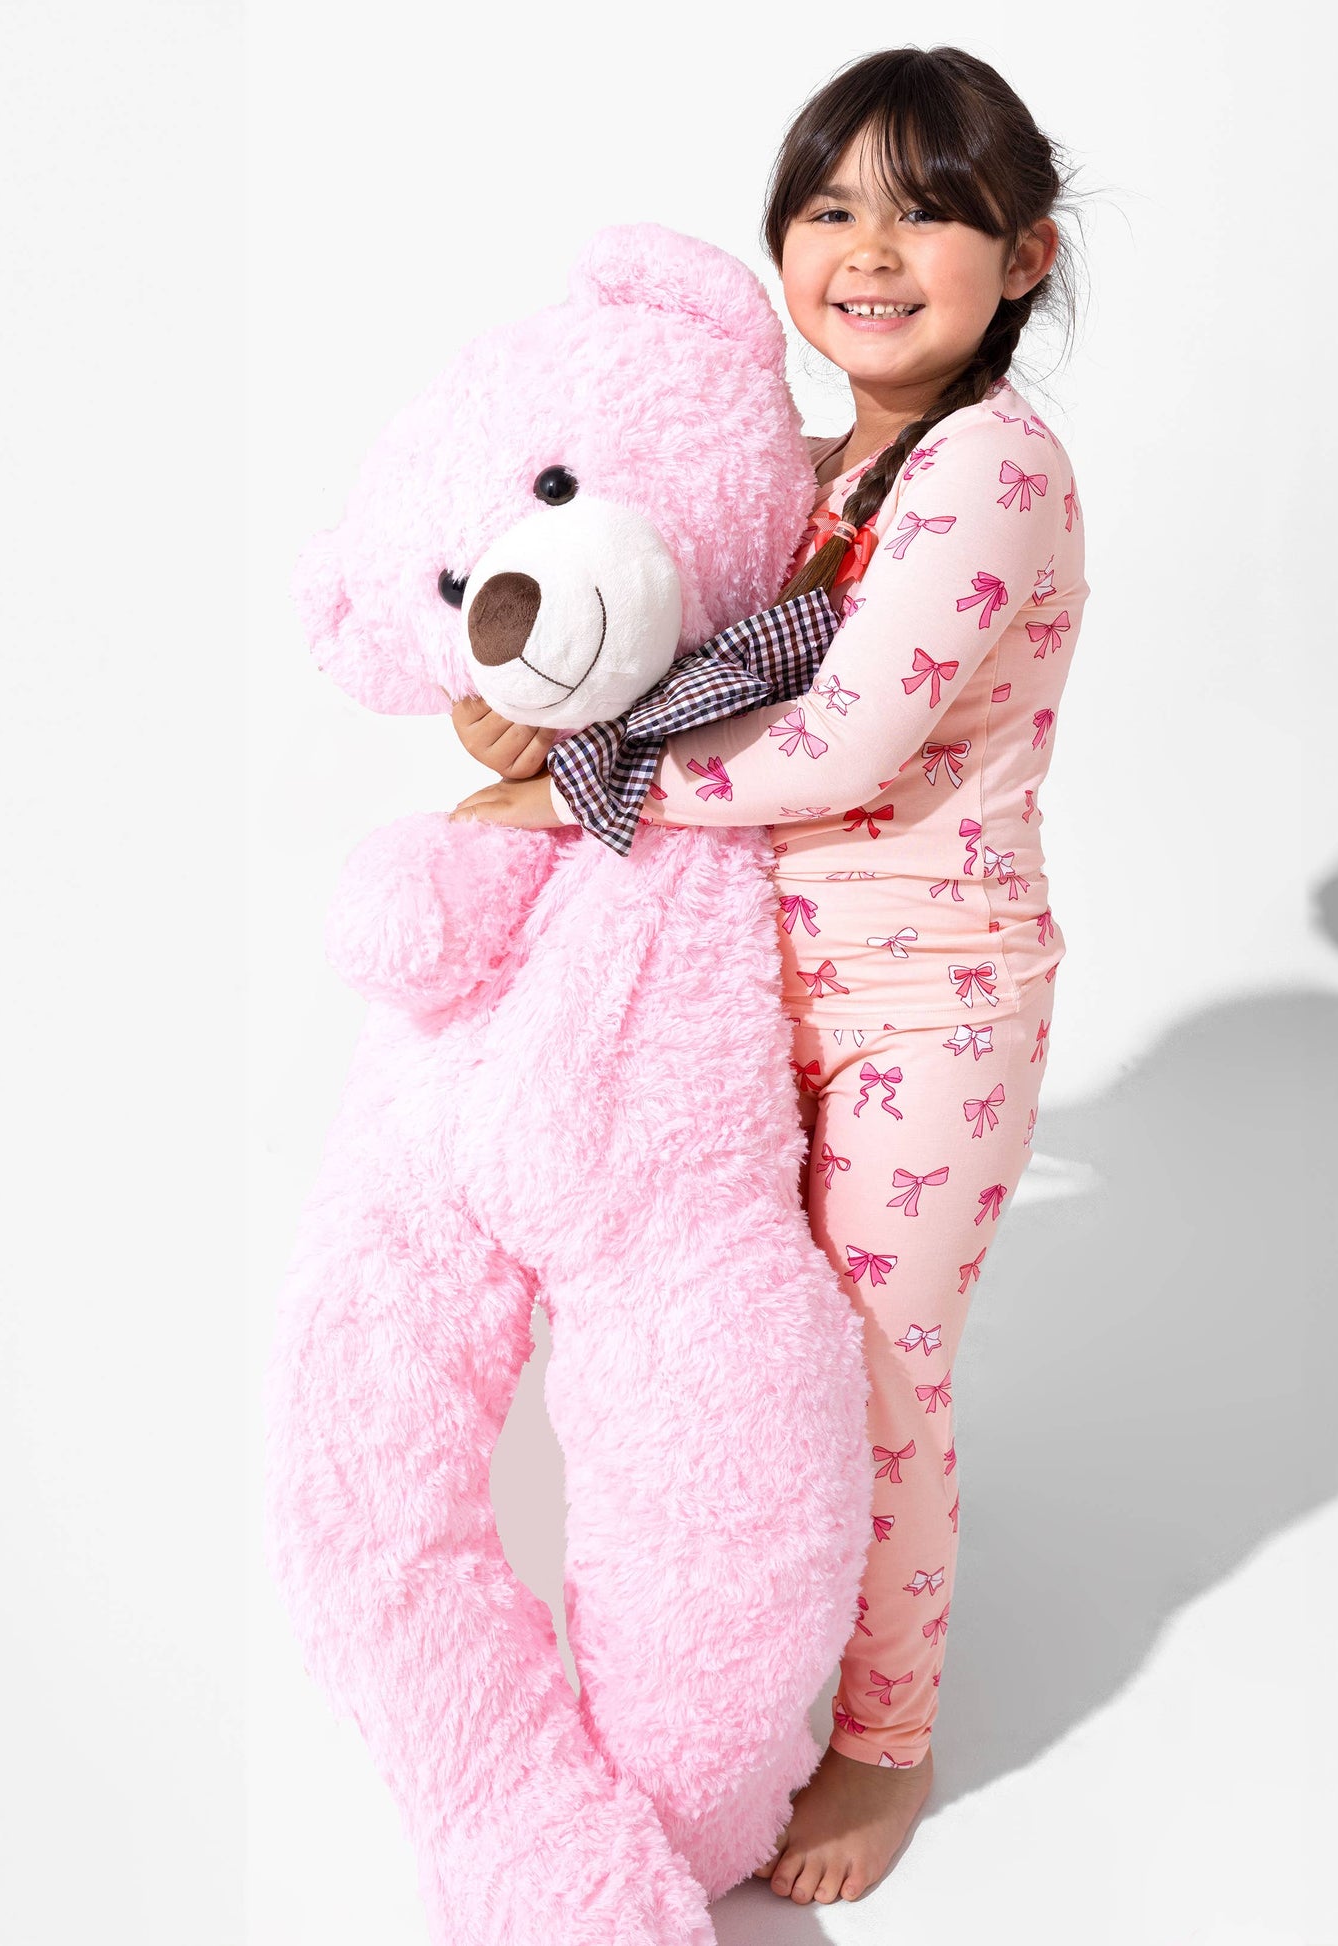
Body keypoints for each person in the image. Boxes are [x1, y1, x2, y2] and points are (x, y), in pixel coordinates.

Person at [451, 44, 1090, 1909]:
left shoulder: (990, 467)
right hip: (756, 974)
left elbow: (841, 740)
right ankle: (722, 1681)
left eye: (926, 212)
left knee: (878, 1375)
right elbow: (667, 651)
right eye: (827, 209)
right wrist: (531, 711)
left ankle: (885, 1732)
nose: (867, 251)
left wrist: (582, 787)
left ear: (1025, 255)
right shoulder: (822, 472)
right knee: (725, 1349)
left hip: (926, 1006)